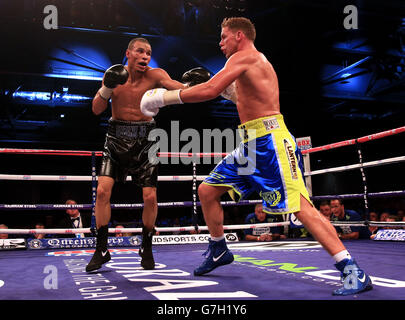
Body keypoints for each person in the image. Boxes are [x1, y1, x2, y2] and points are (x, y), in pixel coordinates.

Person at [140, 17, 373, 295]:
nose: (220, 42)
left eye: (224, 36)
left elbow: (209, 90)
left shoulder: (246, 57)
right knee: (207, 191)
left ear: (239, 36)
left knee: (301, 208)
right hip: (250, 143)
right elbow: (242, 98)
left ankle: (352, 270)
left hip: (272, 143)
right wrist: (227, 93)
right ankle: (218, 249)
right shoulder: (248, 63)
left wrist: (163, 98)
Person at [86, 37, 210, 272]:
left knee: (150, 197)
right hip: (115, 138)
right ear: (129, 53)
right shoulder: (113, 74)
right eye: (140, 52)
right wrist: (106, 87)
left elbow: (178, 88)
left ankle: (146, 246)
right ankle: (101, 248)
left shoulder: (156, 75)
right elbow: (96, 109)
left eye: (148, 53)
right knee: (102, 192)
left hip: (147, 139)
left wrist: (194, 85)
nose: (145, 56)